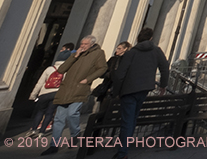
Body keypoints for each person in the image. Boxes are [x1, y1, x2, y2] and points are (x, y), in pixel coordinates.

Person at [42, 35, 107, 155]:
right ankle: (54, 145)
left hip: (80, 89)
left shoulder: (98, 53)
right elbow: (61, 70)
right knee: (58, 118)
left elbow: (102, 68)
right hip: (65, 89)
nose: (82, 46)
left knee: (72, 113)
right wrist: (74, 56)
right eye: (81, 44)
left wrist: (88, 79)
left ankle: (75, 134)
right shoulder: (76, 54)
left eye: (85, 44)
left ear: (92, 44)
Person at [110, 28, 170, 159]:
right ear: (150, 38)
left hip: (129, 89)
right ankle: (123, 148)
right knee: (132, 118)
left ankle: (122, 151)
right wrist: (163, 85)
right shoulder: (156, 51)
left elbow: (120, 74)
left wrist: (116, 92)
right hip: (144, 89)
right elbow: (165, 68)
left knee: (127, 120)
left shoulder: (132, 53)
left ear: (138, 38)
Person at [90, 41, 130, 114]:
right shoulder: (113, 59)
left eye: (119, 48)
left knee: (105, 110)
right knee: (102, 109)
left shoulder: (126, 60)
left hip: (115, 89)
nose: (116, 50)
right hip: (107, 87)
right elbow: (104, 72)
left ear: (125, 49)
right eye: (117, 48)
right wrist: (107, 74)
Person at [28, 57, 65, 136]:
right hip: (56, 94)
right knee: (50, 113)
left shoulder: (49, 69)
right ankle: (42, 132)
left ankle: (34, 130)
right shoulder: (66, 71)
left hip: (44, 93)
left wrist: (33, 95)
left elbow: (40, 83)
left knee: (40, 111)